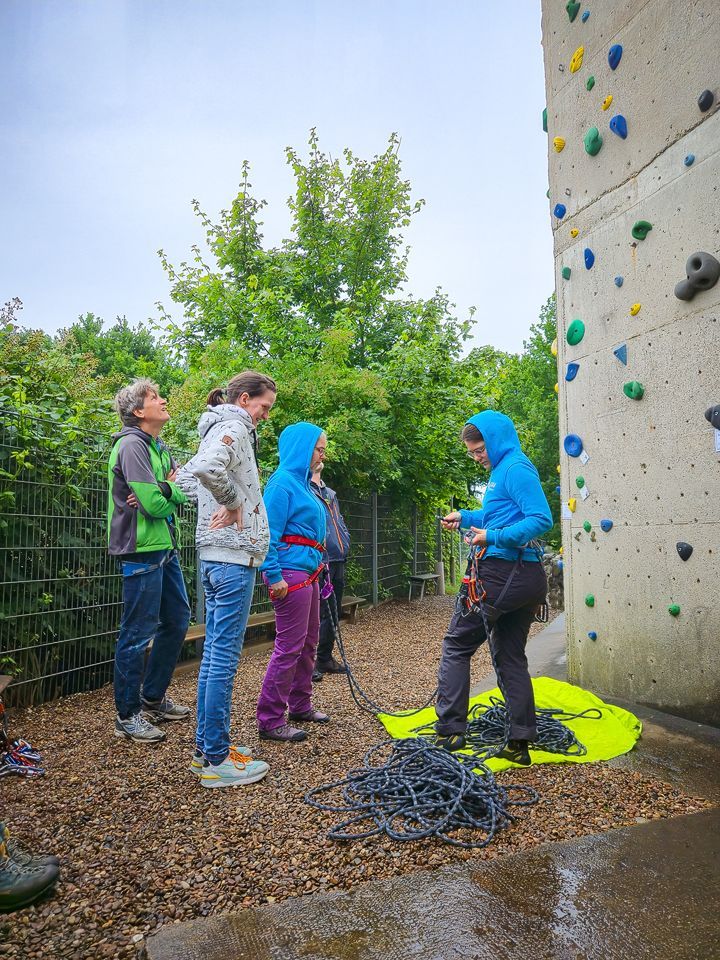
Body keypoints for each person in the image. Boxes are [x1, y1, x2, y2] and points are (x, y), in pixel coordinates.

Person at [176, 371, 277, 789]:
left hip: (216, 556)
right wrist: (235, 503)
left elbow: (186, 478)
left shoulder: (218, 426)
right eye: (264, 406)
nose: (265, 416)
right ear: (244, 398)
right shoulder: (234, 425)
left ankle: (206, 750)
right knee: (222, 660)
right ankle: (217, 758)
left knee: (214, 658)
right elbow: (205, 468)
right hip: (232, 557)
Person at [437, 411, 552, 766]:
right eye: (472, 452)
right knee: (508, 655)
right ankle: (520, 742)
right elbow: (503, 514)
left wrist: (493, 536)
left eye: (480, 449)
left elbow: (540, 519)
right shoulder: (503, 470)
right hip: (522, 579)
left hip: (503, 574)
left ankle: (451, 731)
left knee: (457, 644)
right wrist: (468, 518)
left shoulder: (515, 468)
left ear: (498, 439)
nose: (477, 457)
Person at [108, 379, 191, 744]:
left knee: (177, 619)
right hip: (140, 549)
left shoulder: (157, 445)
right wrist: (165, 490)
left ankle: (152, 698)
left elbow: (181, 488)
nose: (163, 400)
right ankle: (127, 716)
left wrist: (165, 490)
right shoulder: (131, 445)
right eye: (155, 397)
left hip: (164, 545)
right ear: (139, 411)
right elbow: (158, 503)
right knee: (136, 634)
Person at [256, 423, 329, 742]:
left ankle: (300, 704)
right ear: (301, 448)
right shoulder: (282, 484)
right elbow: (267, 534)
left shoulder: (304, 485)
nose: (322, 452)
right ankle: (270, 718)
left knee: (309, 642)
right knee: (289, 647)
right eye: (318, 447)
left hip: (309, 572)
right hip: (289, 574)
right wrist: (274, 576)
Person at [310, 461, 351, 680]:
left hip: (337, 558)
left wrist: (345, 540)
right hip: (319, 560)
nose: (321, 456)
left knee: (333, 613)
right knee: (315, 615)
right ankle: (308, 664)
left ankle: (324, 658)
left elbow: (338, 522)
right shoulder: (305, 490)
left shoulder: (330, 493)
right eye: (317, 451)